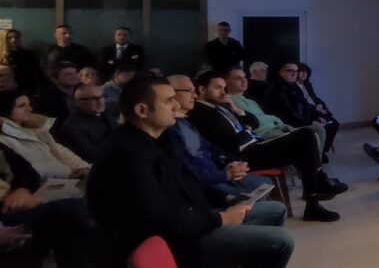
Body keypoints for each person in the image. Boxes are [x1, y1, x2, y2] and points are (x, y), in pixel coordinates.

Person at [87, 76, 294, 268]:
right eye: (169, 101)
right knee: (281, 241)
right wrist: (221, 219)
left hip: (192, 221)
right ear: (142, 110)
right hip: (175, 241)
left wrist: (225, 205)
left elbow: (187, 185)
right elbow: (161, 221)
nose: (176, 106)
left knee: (275, 210)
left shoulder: (161, 139)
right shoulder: (128, 154)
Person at [189, 72, 346, 222]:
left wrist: (236, 110)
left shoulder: (221, 106)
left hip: (253, 145)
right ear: (202, 89)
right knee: (305, 135)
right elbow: (227, 141)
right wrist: (246, 131)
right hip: (242, 155)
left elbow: (254, 122)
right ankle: (317, 187)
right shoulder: (200, 113)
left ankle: (313, 200)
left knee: (305, 142)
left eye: (224, 88)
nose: (223, 92)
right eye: (218, 88)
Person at [167, 75, 271, 204]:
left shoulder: (188, 120)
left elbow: (210, 147)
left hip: (222, 167)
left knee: (264, 184)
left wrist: (234, 162)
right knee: (265, 198)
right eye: (189, 90)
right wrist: (225, 174)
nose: (195, 96)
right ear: (170, 94)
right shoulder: (187, 120)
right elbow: (190, 171)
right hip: (210, 180)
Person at [0, 143, 98, 268]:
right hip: (6, 217)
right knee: (74, 211)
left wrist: (22, 189)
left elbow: (28, 171)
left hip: (22, 204)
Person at [224, 68, 326, 154]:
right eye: (238, 78)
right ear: (227, 82)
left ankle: (316, 166)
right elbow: (258, 120)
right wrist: (273, 119)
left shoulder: (251, 101)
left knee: (318, 129)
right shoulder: (229, 100)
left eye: (245, 77)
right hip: (264, 135)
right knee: (309, 135)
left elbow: (266, 117)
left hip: (277, 128)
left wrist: (284, 126)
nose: (244, 80)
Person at [0, 91, 90, 182]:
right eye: (21, 106)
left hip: (62, 180)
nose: (30, 109)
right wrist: (66, 174)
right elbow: (24, 168)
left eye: (29, 104)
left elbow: (60, 151)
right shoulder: (4, 139)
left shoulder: (37, 130)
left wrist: (83, 168)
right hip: (39, 185)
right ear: (6, 108)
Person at [264, 63, 336, 150]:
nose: (294, 73)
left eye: (296, 71)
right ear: (281, 73)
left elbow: (305, 105)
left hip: (300, 120)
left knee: (328, 121)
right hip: (287, 123)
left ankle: (319, 153)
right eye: (290, 71)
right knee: (319, 129)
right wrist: (311, 121)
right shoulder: (277, 88)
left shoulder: (294, 86)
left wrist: (317, 116)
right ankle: (316, 156)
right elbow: (289, 113)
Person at [57, 85, 119, 163]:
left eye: (102, 96)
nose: (100, 102)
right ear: (79, 102)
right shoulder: (72, 126)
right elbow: (93, 155)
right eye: (94, 99)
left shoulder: (107, 109)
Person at [295, 63, 339, 157]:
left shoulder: (307, 84)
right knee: (326, 124)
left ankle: (324, 149)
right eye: (301, 72)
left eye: (306, 72)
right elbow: (300, 104)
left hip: (316, 108)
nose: (304, 74)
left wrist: (320, 104)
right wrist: (315, 108)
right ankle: (318, 150)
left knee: (334, 123)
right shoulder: (294, 86)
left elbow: (314, 97)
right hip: (308, 112)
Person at [32, 62, 79, 129]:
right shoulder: (45, 98)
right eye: (68, 74)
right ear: (54, 79)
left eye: (75, 73)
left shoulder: (84, 91)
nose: (75, 76)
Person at [1, 29, 42, 95]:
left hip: (24, 88)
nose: (14, 40)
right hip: (5, 89)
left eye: (16, 37)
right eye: (9, 38)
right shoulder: (1, 56)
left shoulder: (27, 54)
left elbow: (35, 73)